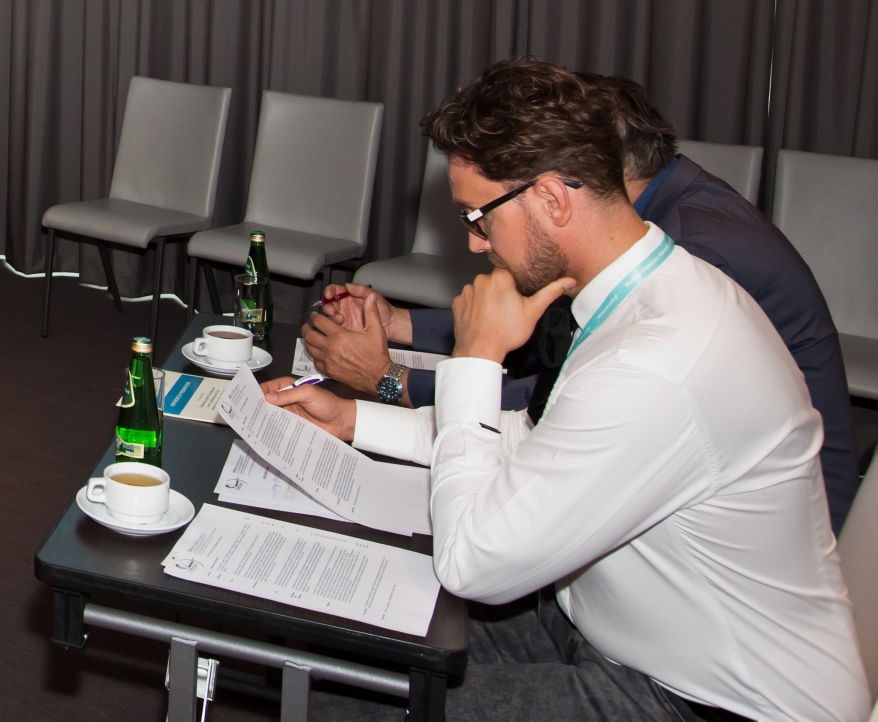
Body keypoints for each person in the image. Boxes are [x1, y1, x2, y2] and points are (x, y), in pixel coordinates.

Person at [266, 60, 866, 722]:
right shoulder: (644, 289)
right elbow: (541, 441)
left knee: (349, 706)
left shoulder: (657, 358)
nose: (474, 243)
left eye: (477, 217)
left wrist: (477, 356)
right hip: (606, 626)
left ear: (552, 199)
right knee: (343, 650)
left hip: (709, 701)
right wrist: (354, 420)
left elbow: (471, 563)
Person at [298, 71, 858, 531]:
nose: (475, 242)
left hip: (753, 544)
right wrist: (395, 329)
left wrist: (392, 379)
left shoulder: (696, 261)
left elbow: (480, 542)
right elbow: (545, 390)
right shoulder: (647, 244)